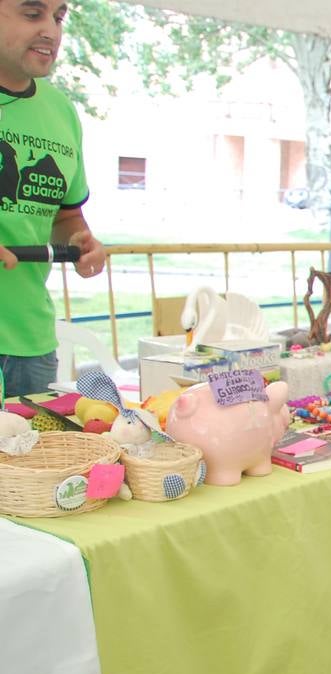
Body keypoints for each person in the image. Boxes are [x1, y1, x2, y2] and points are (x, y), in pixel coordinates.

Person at [0, 0, 106, 396]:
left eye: (58, 17)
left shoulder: (61, 111)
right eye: (32, 14)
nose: (51, 30)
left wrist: (81, 241)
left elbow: (66, 217)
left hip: (32, 344)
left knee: (37, 459)